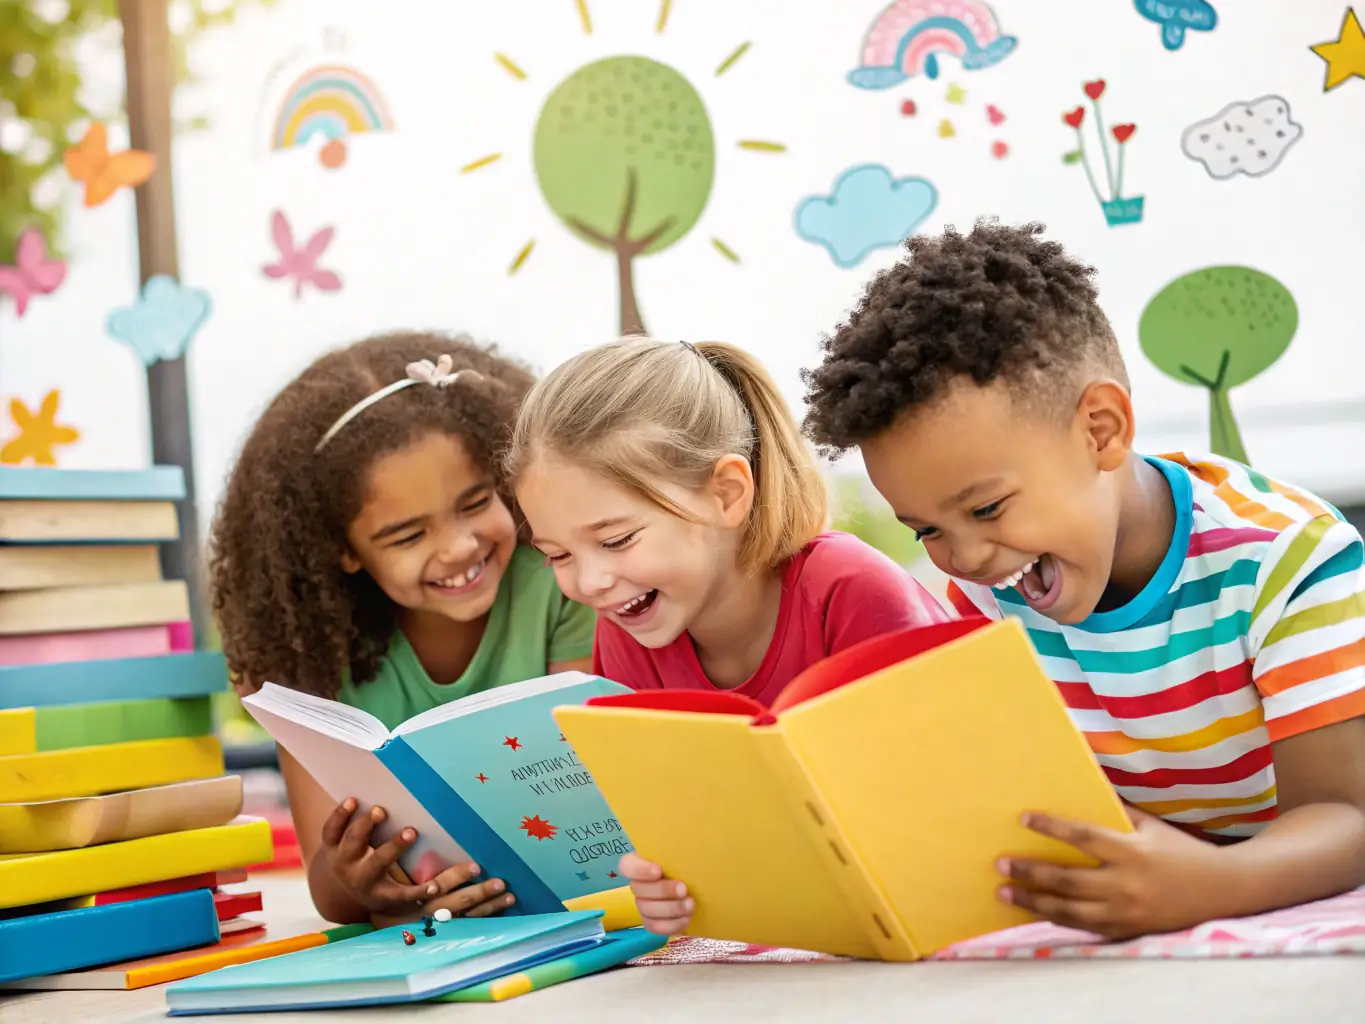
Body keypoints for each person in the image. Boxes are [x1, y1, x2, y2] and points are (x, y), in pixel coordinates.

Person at [795, 218, 1365, 939]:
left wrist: (1209, 885)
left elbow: (1346, 821)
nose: (964, 559)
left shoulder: (1284, 558)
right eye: (926, 530)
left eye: (985, 508)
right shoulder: (982, 595)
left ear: (1100, 430)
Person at [505, 335, 949, 933]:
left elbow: (928, 811)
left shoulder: (853, 589)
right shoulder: (627, 631)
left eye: (616, 541)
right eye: (557, 554)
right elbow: (683, 842)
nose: (589, 581)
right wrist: (667, 889)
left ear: (727, 494)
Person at [208, 331, 596, 928]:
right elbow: (327, 887)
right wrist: (358, 883)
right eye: (409, 536)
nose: (459, 547)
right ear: (343, 550)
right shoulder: (307, 651)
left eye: (475, 502)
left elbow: (590, 790)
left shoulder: (561, 574)